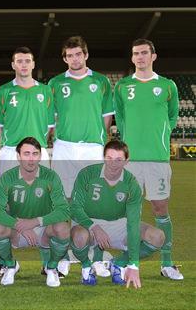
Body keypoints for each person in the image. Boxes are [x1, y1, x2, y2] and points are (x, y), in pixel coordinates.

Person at [114, 39, 182, 280]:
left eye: (144, 53)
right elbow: (120, 119)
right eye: (136, 54)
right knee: (130, 210)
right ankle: (129, 261)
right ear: (132, 58)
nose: (140, 57)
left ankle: (167, 263)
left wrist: (160, 138)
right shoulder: (122, 86)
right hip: (131, 160)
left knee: (160, 208)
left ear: (153, 56)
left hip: (157, 159)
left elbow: (172, 117)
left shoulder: (167, 85)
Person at [48, 36, 115, 274]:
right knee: (64, 200)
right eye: (69, 55)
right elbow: (51, 119)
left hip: (92, 147)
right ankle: (66, 249)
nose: (74, 59)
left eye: (78, 54)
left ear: (86, 55)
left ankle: (95, 252)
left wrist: (95, 137)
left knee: (92, 200)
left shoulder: (101, 81)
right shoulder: (55, 83)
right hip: (64, 146)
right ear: (64, 58)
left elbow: (106, 116)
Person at [70, 140, 165, 288]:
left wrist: (134, 265)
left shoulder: (132, 184)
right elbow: (75, 208)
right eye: (109, 158)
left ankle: (119, 263)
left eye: (119, 160)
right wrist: (94, 227)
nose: (113, 164)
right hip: (88, 223)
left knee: (157, 237)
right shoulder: (87, 174)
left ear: (126, 161)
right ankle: (87, 266)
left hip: (118, 224)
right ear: (103, 157)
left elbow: (133, 223)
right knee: (79, 236)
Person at [0, 137, 71, 287]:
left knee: (63, 228)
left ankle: (51, 267)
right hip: (18, 229)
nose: (31, 158)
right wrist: (18, 225)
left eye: (35, 154)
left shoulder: (51, 177)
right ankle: (11, 265)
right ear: (18, 156)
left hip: (43, 228)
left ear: (40, 156)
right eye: (26, 153)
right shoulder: (7, 178)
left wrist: (35, 222)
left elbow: (64, 210)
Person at [0, 46, 54, 178]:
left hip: (38, 152)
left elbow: (50, 126)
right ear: (13, 65)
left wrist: (37, 147)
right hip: (11, 151)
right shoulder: (3, 91)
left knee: (39, 195)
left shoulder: (45, 91)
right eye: (19, 61)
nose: (24, 65)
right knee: (8, 195)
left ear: (33, 64)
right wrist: (3, 149)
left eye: (27, 61)